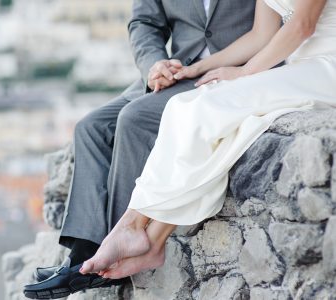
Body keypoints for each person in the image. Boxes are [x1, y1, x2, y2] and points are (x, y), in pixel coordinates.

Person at [79, 0, 336, 280]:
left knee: (207, 108)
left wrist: (243, 73)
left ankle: (133, 225)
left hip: (327, 66)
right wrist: (198, 68)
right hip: (299, 68)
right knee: (186, 109)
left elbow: (302, 25)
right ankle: (151, 240)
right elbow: (261, 35)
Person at [23, 0, 257, 298]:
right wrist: (154, 65)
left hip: (235, 71)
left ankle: (112, 256)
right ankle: (82, 253)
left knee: (134, 120)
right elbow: (144, 22)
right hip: (176, 72)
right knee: (91, 128)